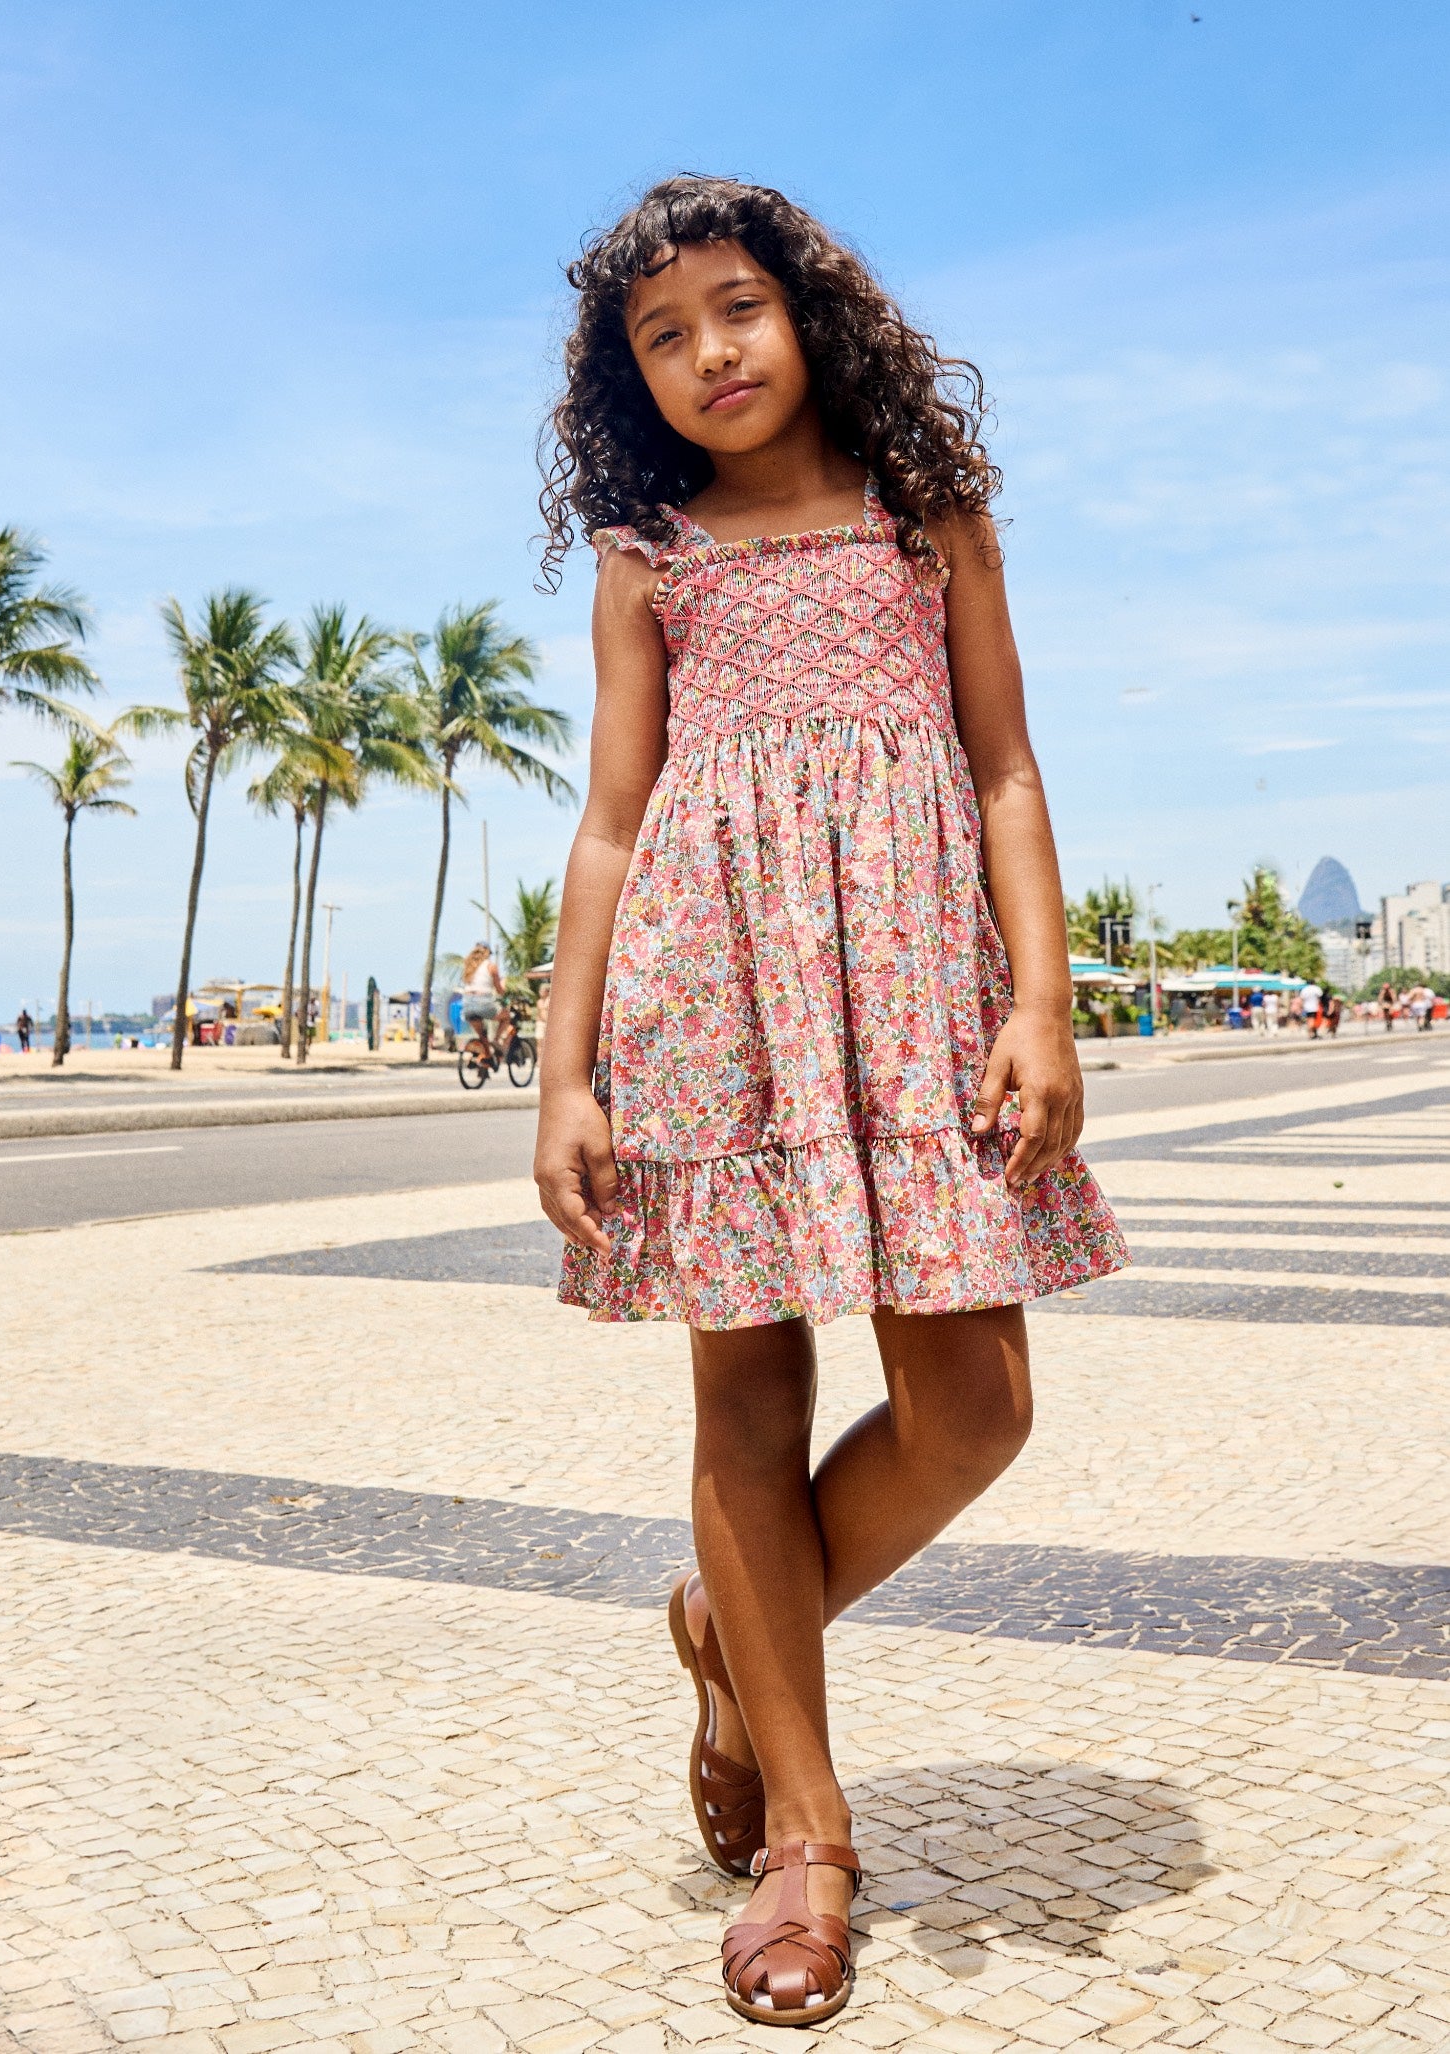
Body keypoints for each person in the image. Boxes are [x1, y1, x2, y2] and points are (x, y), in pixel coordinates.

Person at [532, 177, 1128, 2029]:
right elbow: (616, 818)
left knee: (975, 1399)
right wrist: (564, 1065)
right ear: (626, 378)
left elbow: (1009, 766)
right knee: (748, 1386)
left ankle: (731, 1626)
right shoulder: (653, 560)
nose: (710, 352)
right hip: (711, 999)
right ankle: (808, 1830)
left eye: (736, 307)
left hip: (916, 993)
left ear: (809, 313)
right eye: (662, 333)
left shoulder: (925, 520)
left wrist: (1040, 999)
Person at [458, 943, 509, 1054]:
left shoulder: (468, 967)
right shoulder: (491, 966)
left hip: (467, 1005)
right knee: (506, 1017)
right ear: (487, 953)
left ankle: (485, 1059)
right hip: (484, 1003)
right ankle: (496, 1040)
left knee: (482, 1036)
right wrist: (504, 985)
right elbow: (499, 990)